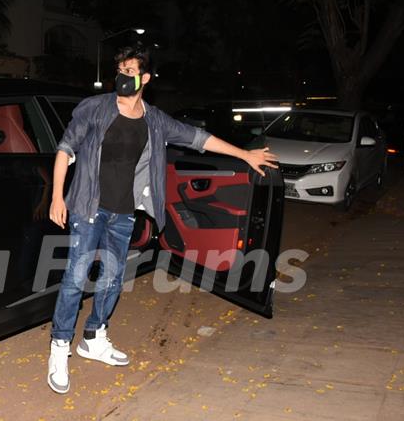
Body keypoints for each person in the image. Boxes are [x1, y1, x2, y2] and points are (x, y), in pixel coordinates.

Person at [46, 45, 278, 394]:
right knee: (75, 279)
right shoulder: (95, 108)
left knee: (111, 280)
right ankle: (60, 348)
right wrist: (56, 197)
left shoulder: (155, 120)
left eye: (130, 71)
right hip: (87, 208)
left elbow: (199, 139)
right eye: (120, 70)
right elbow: (65, 149)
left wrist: (244, 153)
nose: (123, 77)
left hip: (124, 213)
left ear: (145, 77)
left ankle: (94, 338)